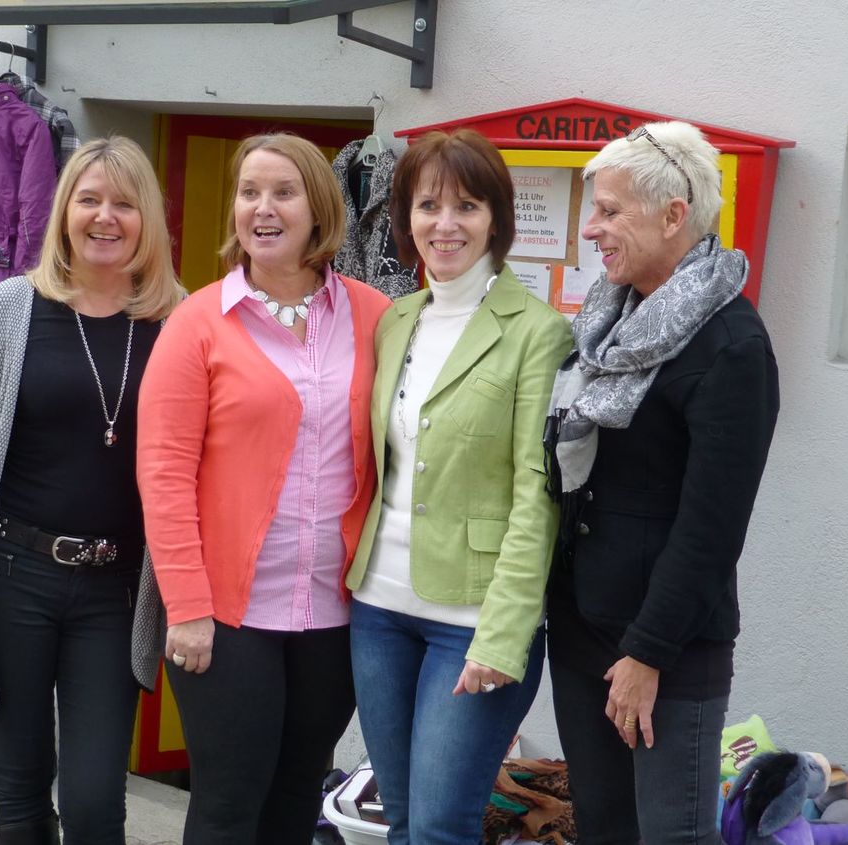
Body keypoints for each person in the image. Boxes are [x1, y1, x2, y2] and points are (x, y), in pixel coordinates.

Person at [0, 137, 185, 845]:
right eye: (88, 199)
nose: (105, 217)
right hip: (14, 578)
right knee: (19, 793)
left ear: (147, 218)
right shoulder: (9, 309)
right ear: (65, 210)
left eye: (124, 203)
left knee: (95, 802)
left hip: (117, 592)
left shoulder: (179, 321)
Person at [136, 133, 392, 845]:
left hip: (336, 613)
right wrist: (186, 606)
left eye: (283, 192)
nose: (263, 207)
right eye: (249, 192)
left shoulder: (376, 315)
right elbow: (163, 474)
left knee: (296, 797)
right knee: (227, 805)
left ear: (320, 209)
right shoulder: (197, 323)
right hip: (227, 617)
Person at [544, 121, 781, 845]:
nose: (591, 229)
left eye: (610, 211)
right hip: (583, 626)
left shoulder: (732, 345)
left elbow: (712, 528)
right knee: (603, 828)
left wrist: (646, 653)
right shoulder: (608, 322)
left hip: (666, 647)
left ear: (674, 215)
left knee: (672, 836)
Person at [345, 127, 572, 845]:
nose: (445, 224)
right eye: (428, 205)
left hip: (473, 621)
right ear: (405, 217)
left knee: (441, 827)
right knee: (403, 819)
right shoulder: (395, 320)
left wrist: (503, 635)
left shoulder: (538, 332)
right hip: (378, 609)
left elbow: (538, 496)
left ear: (496, 219)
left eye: (467, 206)